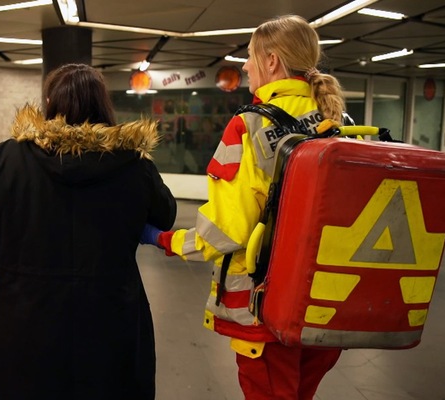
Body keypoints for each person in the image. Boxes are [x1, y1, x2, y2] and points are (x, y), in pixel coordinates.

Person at [140, 15, 346, 400]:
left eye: (250, 56)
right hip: (325, 302)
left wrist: (163, 239)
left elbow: (224, 231)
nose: (245, 66)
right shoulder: (336, 122)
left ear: (271, 62)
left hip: (266, 306)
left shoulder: (249, 126)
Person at [0, 63, 176, 400]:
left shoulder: (6, 159)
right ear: (103, 105)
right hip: (110, 321)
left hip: (26, 323)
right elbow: (166, 214)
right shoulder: (133, 164)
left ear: (50, 101)